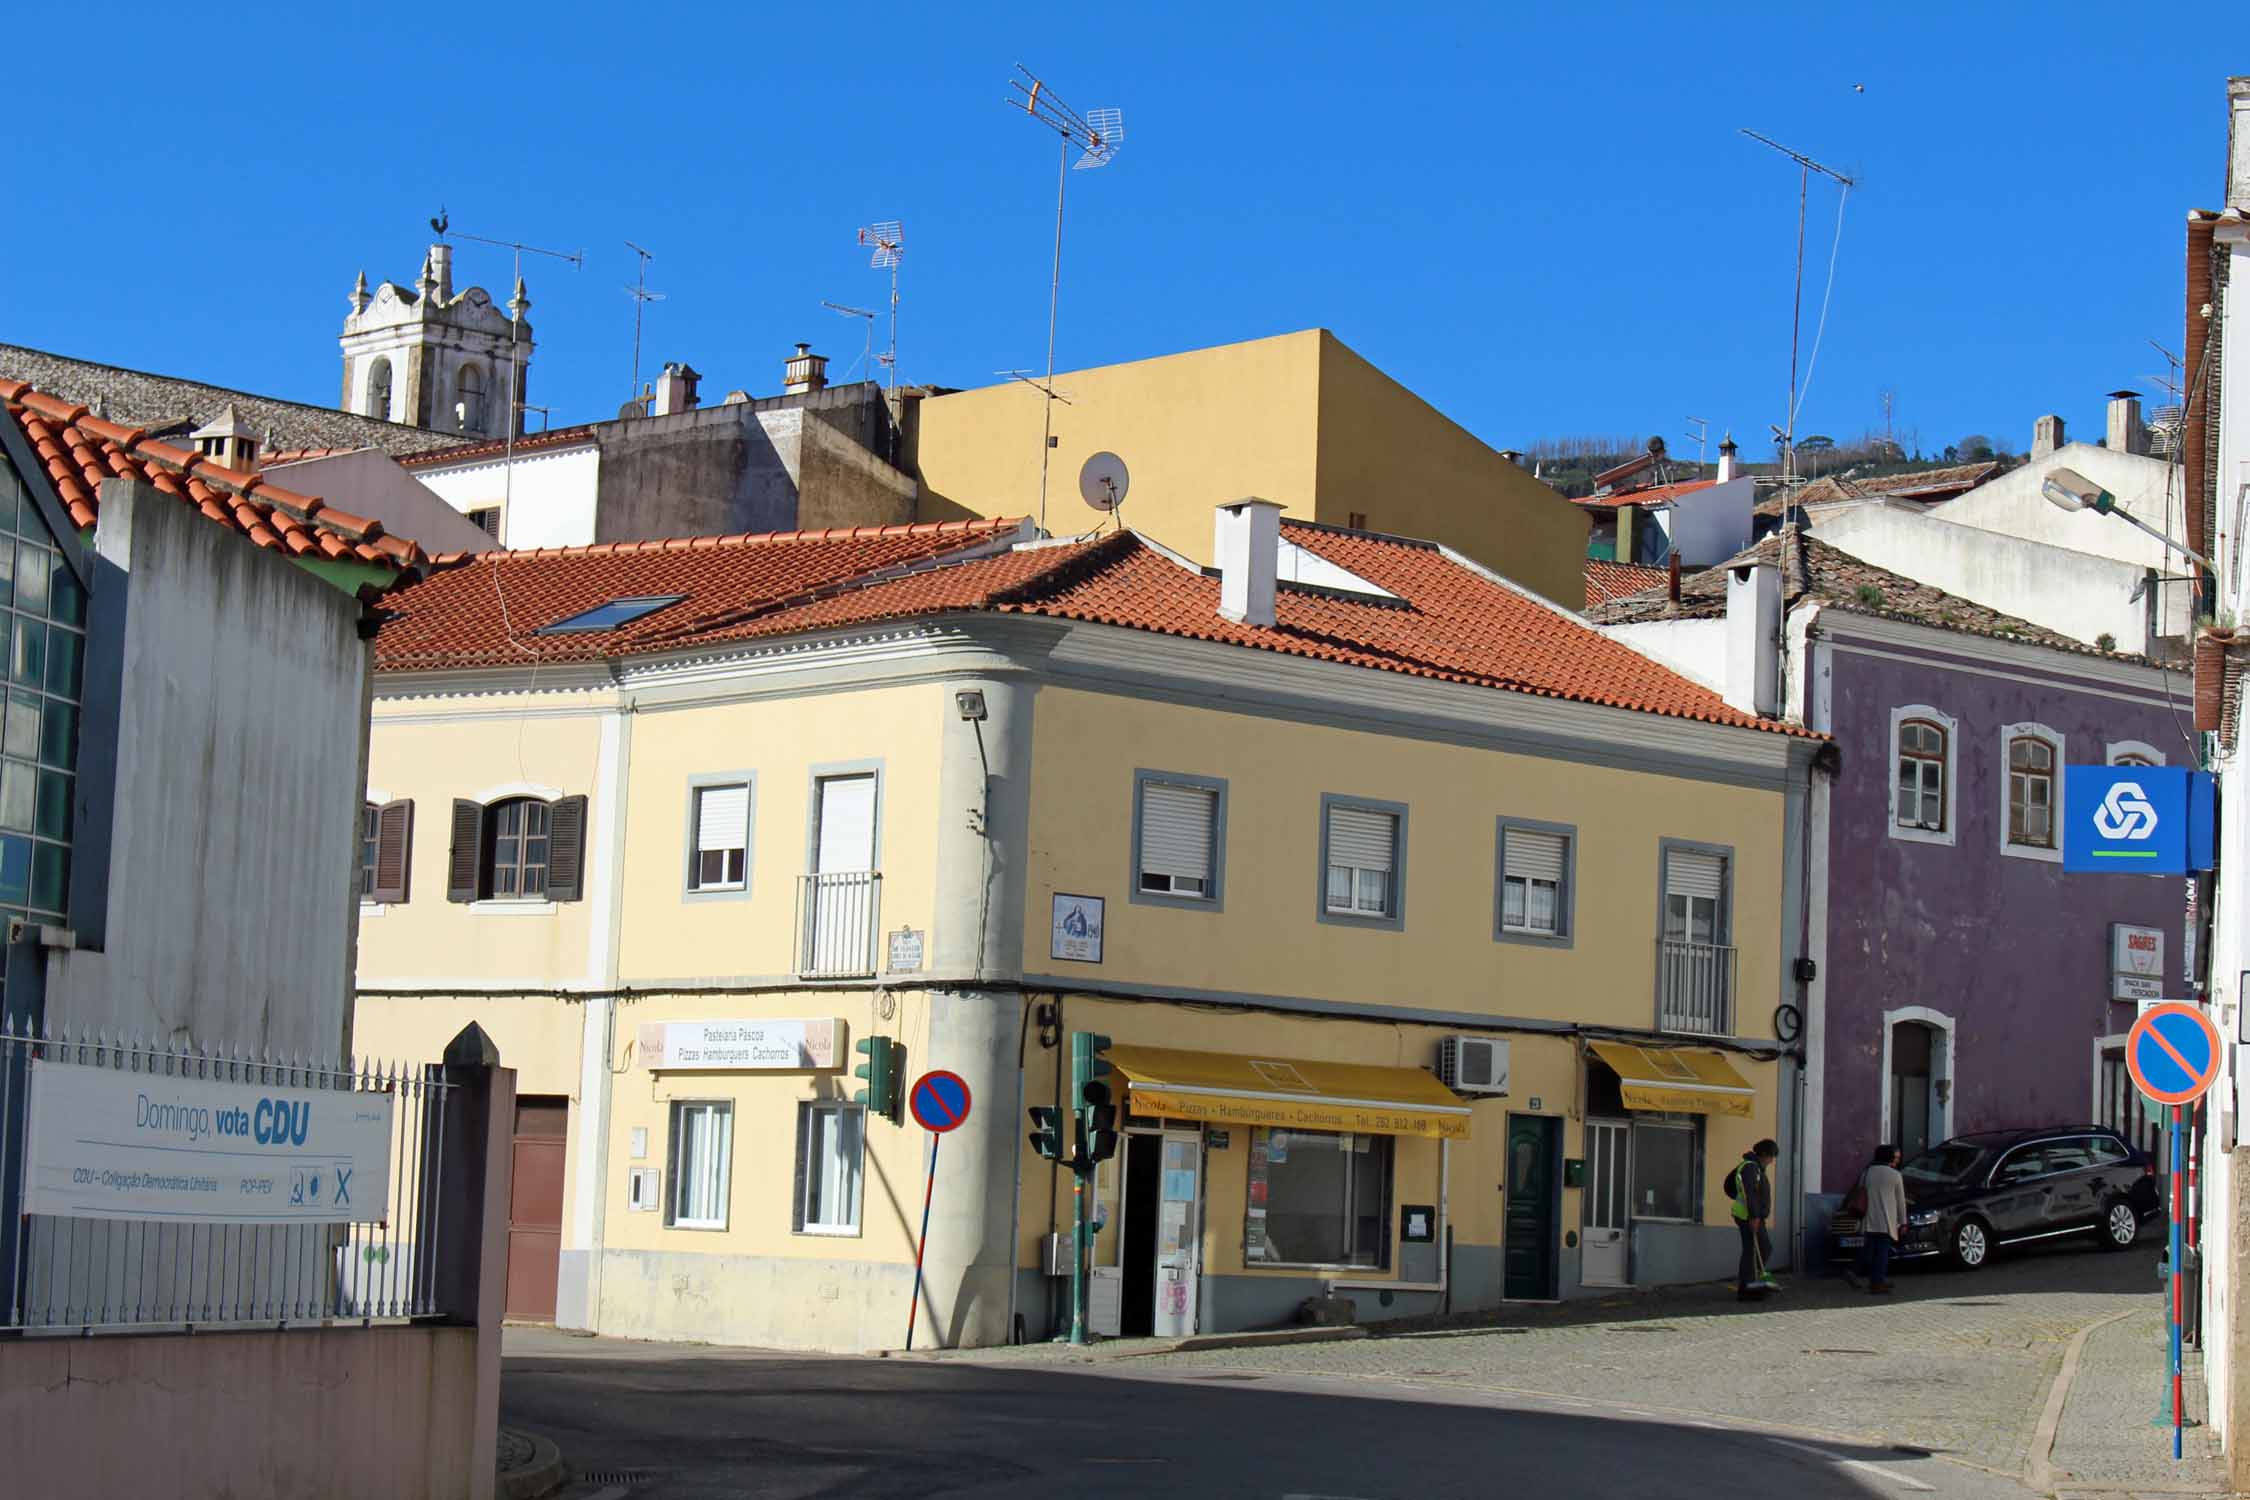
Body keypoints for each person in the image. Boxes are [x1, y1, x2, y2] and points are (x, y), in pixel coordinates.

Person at [1729, 1139, 1781, 1301]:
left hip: (1752, 1216)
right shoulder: (1751, 1168)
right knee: (1757, 1250)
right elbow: (1750, 1192)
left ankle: (1750, 1285)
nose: (1772, 1161)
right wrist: (1754, 1216)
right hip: (1749, 1217)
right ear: (1764, 1154)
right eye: (1771, 1156)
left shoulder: (1755, 1167)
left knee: (1758, 1250)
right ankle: (1746, 1288)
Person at [1857, 1144, 1907, 1294]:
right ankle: (1878, 1283)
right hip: (1886, 1221)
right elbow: (1900, 1201)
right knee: (1882, 1254)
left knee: (1871, 1252)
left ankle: (1873, 1279)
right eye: (1896, 1157)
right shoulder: (1895, 1175)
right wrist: (1903, 1221)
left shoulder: (1867, 1173)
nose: (1897, 1160)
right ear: (1890, 1157)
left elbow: (1860, 1191)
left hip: (1869, 1220)